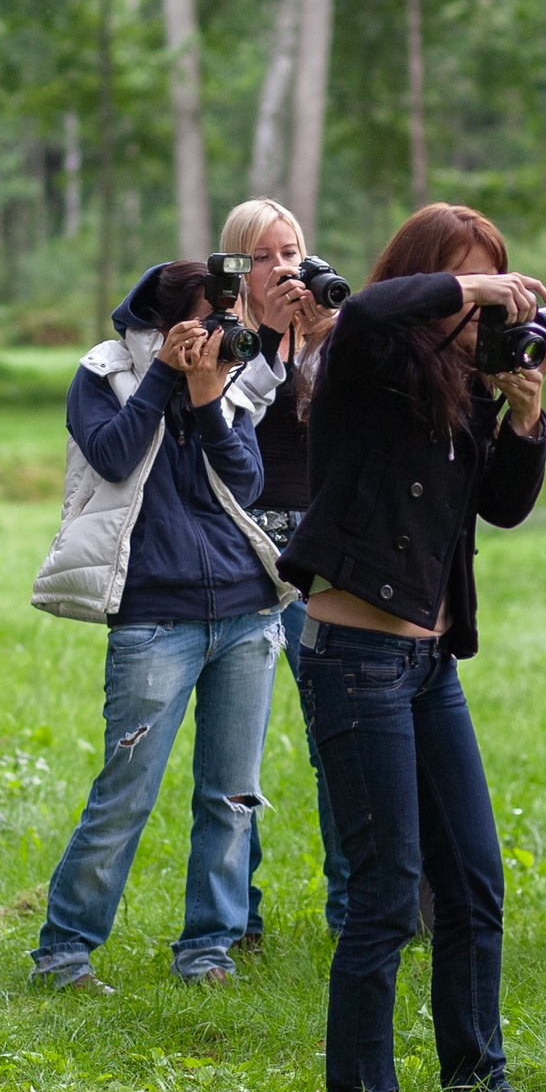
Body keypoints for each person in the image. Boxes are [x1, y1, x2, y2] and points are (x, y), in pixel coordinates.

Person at [279, 203, 546, 1092]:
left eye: (489, 286)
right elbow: (368, 310)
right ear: (431, 278)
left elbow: (503, 509)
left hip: (431, 668)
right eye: (464, 287)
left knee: (473, 879)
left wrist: (525, 417)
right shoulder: (364, 362)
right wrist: (472, 285)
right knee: (388, 889)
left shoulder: (463, 390)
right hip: (353, 654)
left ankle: (477, 1074)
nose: (475, 312)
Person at [29, 257, 296, 990]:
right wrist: (161, 379)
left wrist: (208, 392)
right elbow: (112, 458)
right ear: (168, 319)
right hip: (153, 617)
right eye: (212, 316)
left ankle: (208, 949)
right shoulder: (104, 371)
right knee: (127, 790)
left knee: (231, 796)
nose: (224, 331)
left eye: (230, 317)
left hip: (244, 611)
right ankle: (63, 953)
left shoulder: (230, 375)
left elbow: (246, 479)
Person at [219, 195, 349, 943]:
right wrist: (269, 343)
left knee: (339, 731)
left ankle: (352, 906)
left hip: (315, 552)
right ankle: (238, 919)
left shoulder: (331, 335)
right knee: (238, 750)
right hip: (240, 546)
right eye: (263, 255)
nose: (281, 269)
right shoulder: (225, 340)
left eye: (291, 252)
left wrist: (326, 340)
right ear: (238, 266)